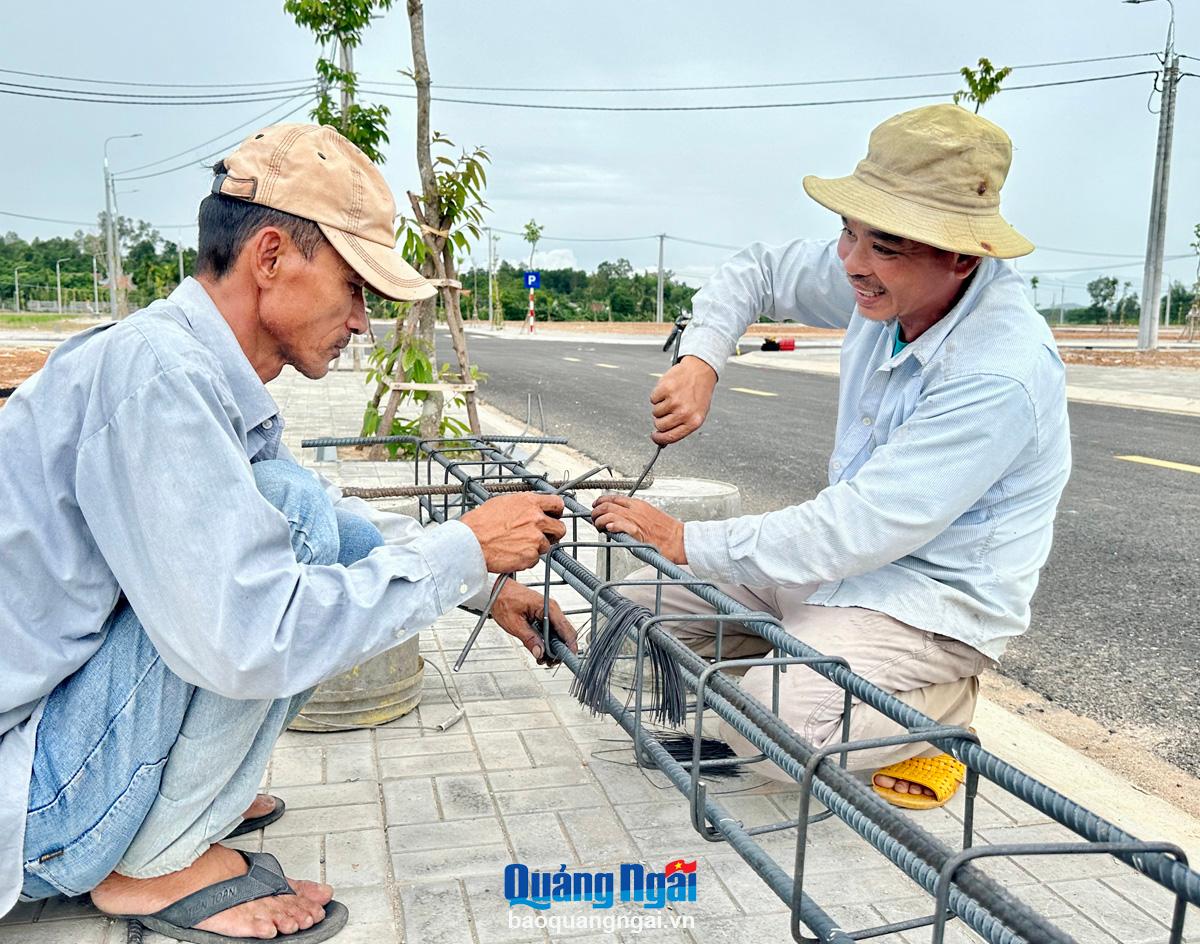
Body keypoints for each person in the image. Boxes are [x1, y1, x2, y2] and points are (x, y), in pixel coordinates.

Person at [0, 123, 574, 943]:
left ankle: (179, 802)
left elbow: (336, 521)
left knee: (295, 506)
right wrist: (464, 550)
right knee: (287, 520)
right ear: (271, 258)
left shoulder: (185, 366)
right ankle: (152, 862)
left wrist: (482, 583)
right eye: (355, 288)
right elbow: (253, 635)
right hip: (33, 807)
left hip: (45, 745)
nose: (363, 324)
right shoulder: (158, 376)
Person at [592, 103, 1071, 810]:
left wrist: (686, 538)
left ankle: (940, 709)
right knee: (637, 608)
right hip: (834, 574)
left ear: (961, 255)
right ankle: (812, 657)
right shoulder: (877, 277)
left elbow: (865, 524)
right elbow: (755, 270)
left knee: (769, 727)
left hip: (926, 601)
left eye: (882, 246)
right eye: (846, 233)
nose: (852, 264)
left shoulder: (998, 372)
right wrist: (701, 359)